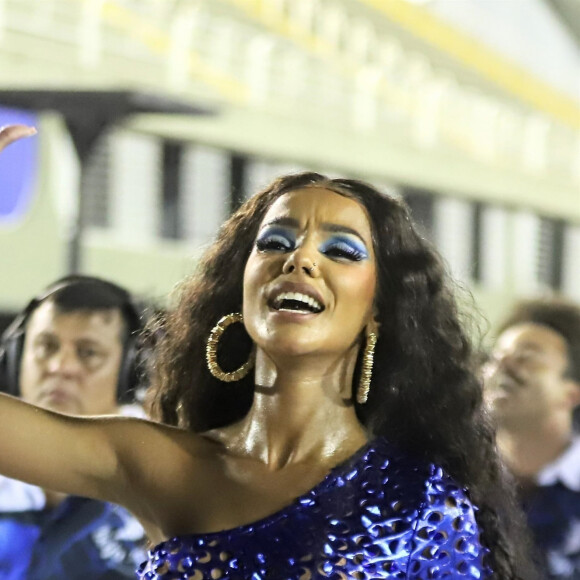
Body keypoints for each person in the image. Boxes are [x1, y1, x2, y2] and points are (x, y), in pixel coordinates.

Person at [0, 125, 536, 579]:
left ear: (378, 310)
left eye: (341, 250)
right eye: (275, 242)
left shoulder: (418, 500)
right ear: (243, 285)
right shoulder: (166, 466)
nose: (300, 257)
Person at [0, 275, 148, 579]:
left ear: (127, 375)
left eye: (88, 353)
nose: (60, 367)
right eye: (46, 346)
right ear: (17, 358)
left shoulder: (167, 487)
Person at [483, 298, 580, 579]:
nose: (503, 365)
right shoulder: (451, 478)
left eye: (526, 357)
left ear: (572, 393)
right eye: (496, 356)